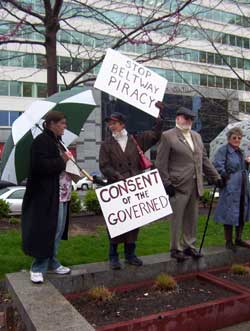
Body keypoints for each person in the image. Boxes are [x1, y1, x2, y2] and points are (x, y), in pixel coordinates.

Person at [99, 103, 163, 270]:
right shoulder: (106, 144)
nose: (111, 126)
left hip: (134, 186)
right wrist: (115, 175)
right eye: (109, 123)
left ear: (122, 124)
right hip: (116, 186)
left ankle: (130, 255)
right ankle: (113, 256)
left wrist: (159, 115)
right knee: (116, 222)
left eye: (114, 123)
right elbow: (104, 166)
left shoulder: (136, 140)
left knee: (134, 221)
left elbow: (156, 135)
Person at [156, 107, 223, 262]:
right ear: (177, 118)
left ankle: (189, 246)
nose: (188, 121)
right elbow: (161, 163)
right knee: (177, 219)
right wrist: (166, 183)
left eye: (191, 119)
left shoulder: (197, 136)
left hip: (195, 184)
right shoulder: (167, 136)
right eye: (185, 118)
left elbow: (204, 160)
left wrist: (216, 177)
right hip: (177, 185)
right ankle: (175, 248)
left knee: (192, 218)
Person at [22, 111, 73, 284]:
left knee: (57, 231)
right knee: (48, 230)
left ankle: (52, 261)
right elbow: (41, 167)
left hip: (63, 192)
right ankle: (38, 267)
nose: (65, 126)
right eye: (62, 123)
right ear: (52, 123)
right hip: (48, 195)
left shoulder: (58, 141)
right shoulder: (41, 142)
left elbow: (61, 162)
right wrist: (63, 160)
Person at [213, 127, 250, 251]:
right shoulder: (223, 151)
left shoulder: (241, 152)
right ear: (229, 138)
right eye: (234, 137)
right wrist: (225, 176)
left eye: (239, 138)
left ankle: (238, 239)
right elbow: (218, 165)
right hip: (230, 185)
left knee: (241, 210)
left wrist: (247, 163)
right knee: (229, 212)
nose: (237, 140)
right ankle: (228, 241)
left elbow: (243, 168)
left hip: (243, 185)